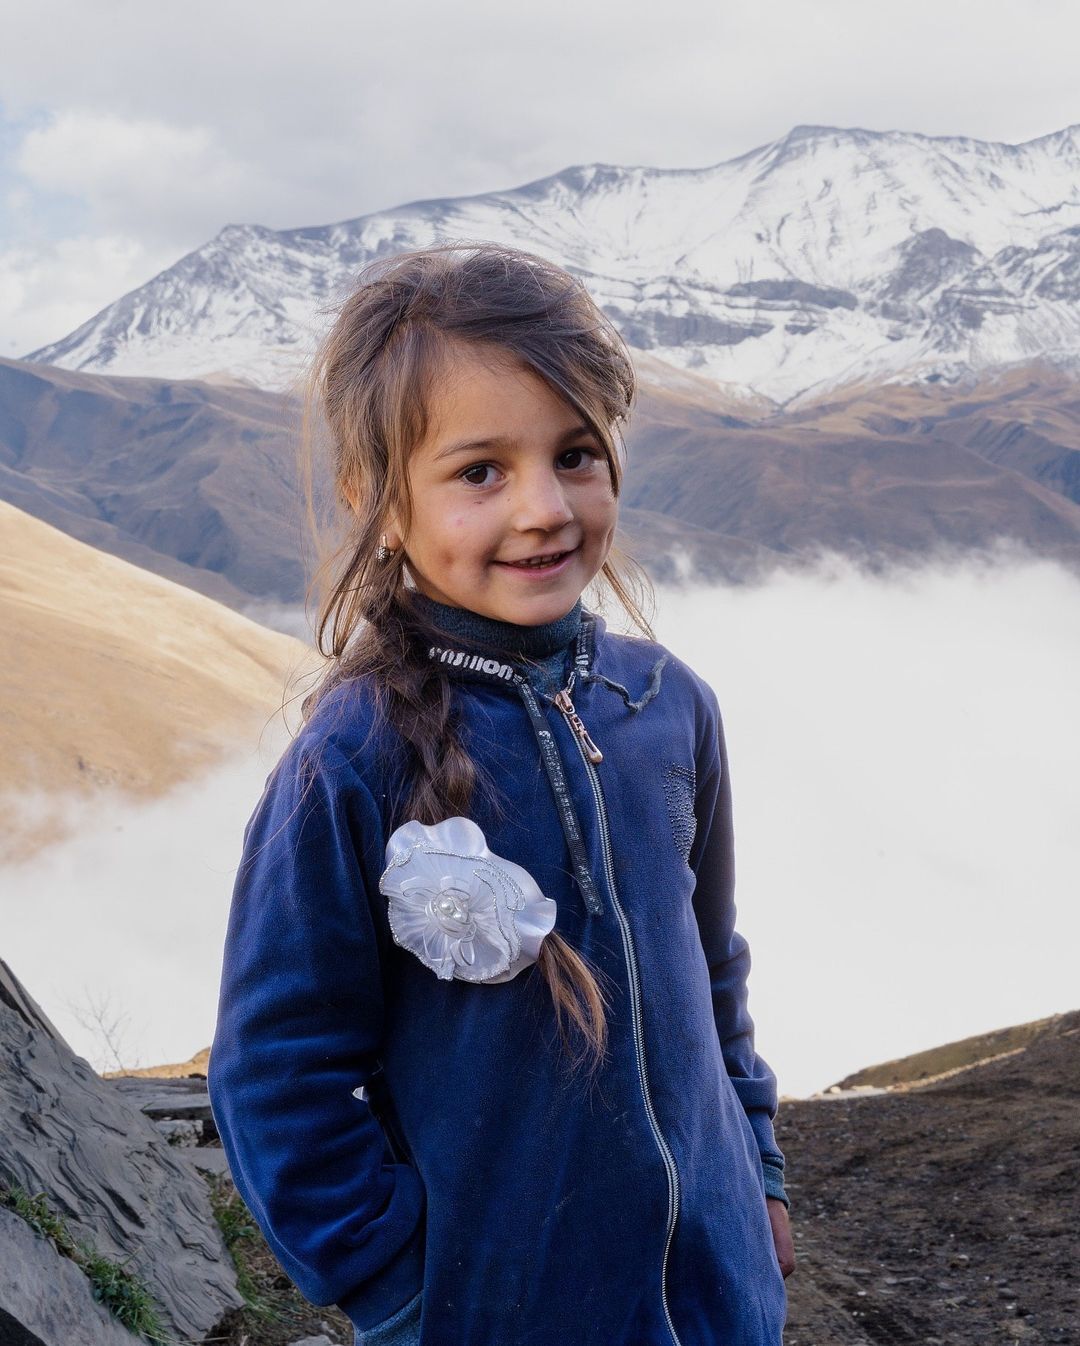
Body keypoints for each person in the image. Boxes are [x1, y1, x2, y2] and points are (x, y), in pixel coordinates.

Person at [207, 240, 795, 1346]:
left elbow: (711, 964)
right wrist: (400, 1288)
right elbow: (275, 1067)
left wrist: (755, 1169)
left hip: (720, 1302)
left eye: (576, 453)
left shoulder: (670, 705)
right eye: (480, 470)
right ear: (378, 500)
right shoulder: (352, 758)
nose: (545, 507)